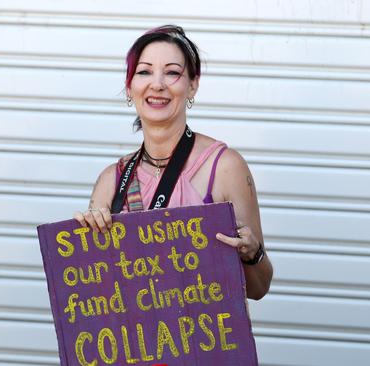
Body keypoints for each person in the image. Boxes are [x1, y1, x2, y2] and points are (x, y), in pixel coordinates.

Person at [73, 25, 272, 300]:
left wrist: (253, 254)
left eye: (172, 72)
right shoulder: (113, 180)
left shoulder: (224, 166)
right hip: (138, 342)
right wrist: (86, 247)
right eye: (144, 72)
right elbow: (98, 296)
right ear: (130, 87)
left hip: (208, 341)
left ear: (193, 84)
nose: (157, 84)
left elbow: (260, 289)